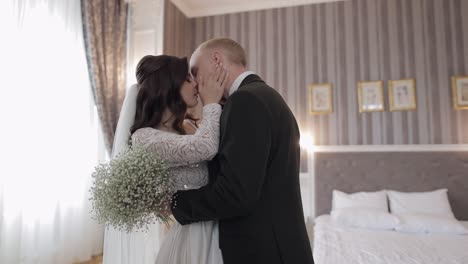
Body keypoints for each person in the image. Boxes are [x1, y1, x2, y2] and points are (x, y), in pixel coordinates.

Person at [171, 38, 314, 264]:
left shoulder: (245, 101)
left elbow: (236, 194)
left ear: (216, 60)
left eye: (196, 72)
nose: (196, 84)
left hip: (263, 252)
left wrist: (174, 203)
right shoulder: (265, 95)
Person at [103, 54, 228, 264]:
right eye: (188, 79)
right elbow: (205, 148)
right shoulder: (144, 137)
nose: (195, 83)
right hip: (194, 234)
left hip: (218, 224)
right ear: (168, 86)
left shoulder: (187, 126)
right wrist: (212, 103)